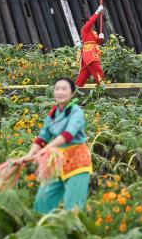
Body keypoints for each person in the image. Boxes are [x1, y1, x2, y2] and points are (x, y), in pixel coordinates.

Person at [20, 78, 93, 214]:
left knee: (73, 207)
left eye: (64, 89)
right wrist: (29, 155)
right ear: (53, 92)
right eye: (57, 89)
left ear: (72, 93)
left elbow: (68, 134)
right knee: (43, 199)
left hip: (77, 162)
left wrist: (47, 149)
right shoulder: (53, 114)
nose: (60, 92)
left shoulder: (76, 112)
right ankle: (43, 229)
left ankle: (73, 232)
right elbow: (42, 137)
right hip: (57, 160)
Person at [75, 6, 106, 87]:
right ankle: (103, 88)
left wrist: (101, 38)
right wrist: (97, 12)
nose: (90, 24)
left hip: (92, 52)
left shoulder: (94, 32)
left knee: (84, 74)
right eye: (88, 22)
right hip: (89, 53)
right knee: (98, 70)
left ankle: (76, 88)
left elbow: (98, 42)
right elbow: (92, 20)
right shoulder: (84, 29)